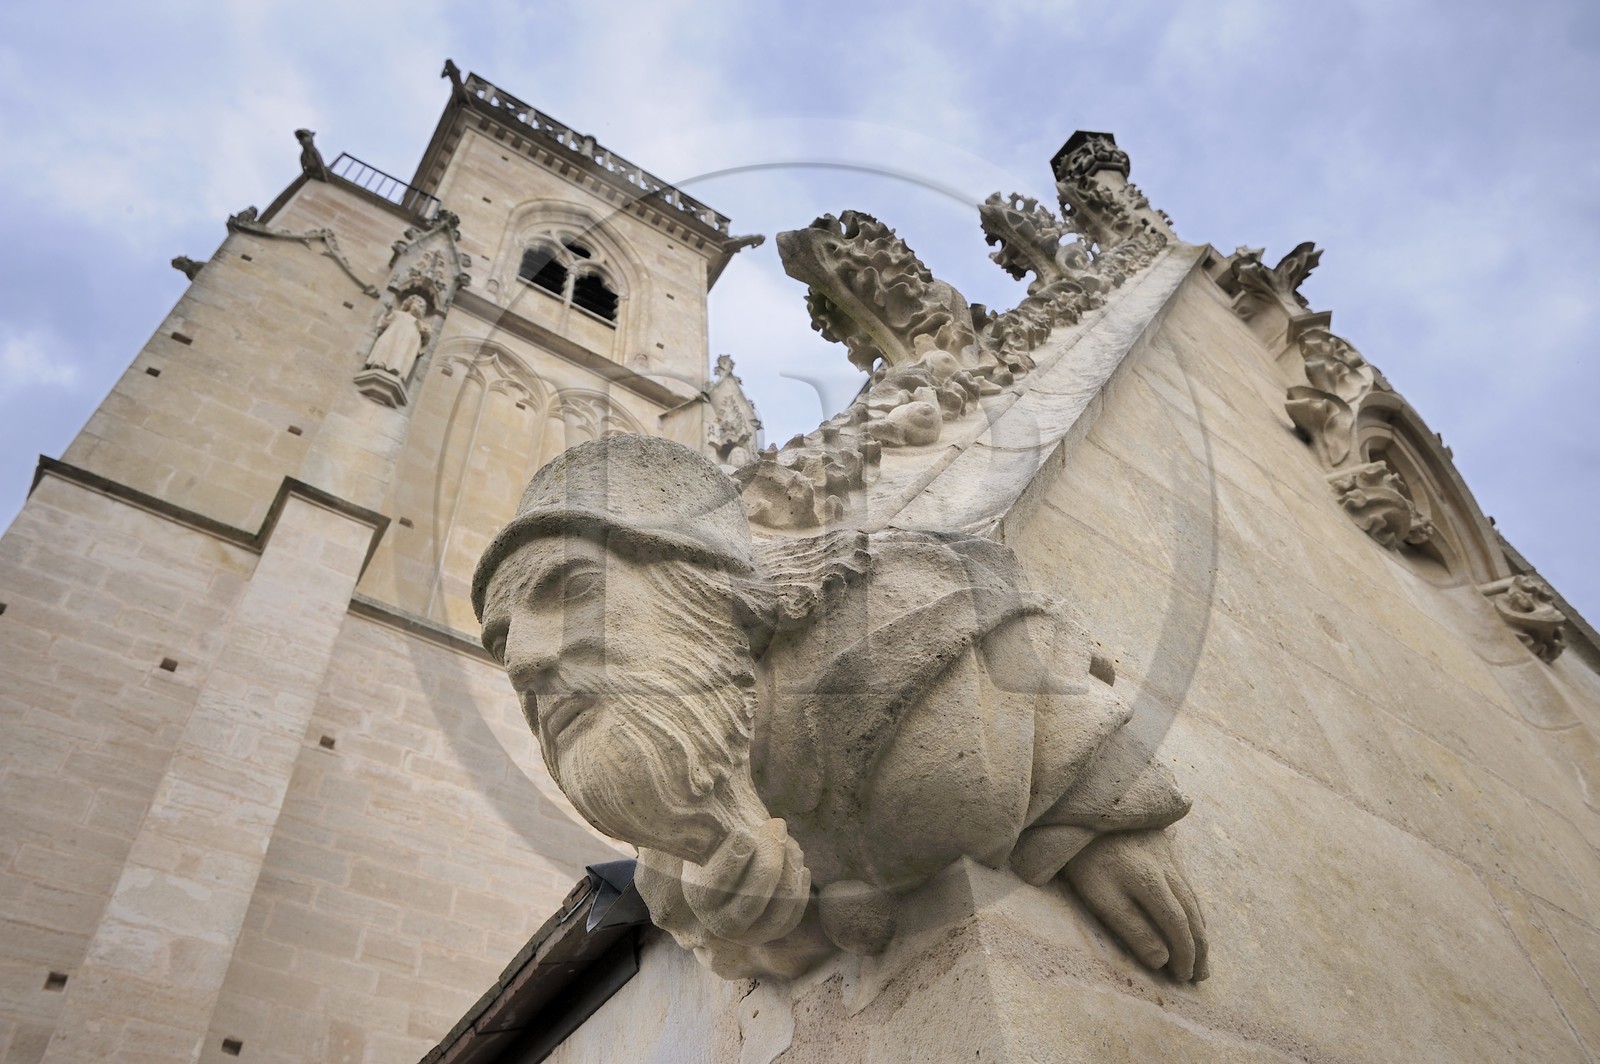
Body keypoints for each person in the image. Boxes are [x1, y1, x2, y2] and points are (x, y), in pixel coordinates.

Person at [473, 435, 1208, 981]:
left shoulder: (896, 627)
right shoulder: (665, 798)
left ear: (695, 588)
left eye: (571, 589)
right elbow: (721, 932)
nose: (528, 661)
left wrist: (1098, 810)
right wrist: (752, 927)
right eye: (503, 642)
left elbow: (1015, 634)